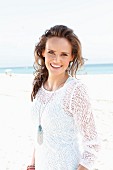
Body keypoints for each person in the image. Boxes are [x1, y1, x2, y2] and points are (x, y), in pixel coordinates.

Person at [29, 25, 99, 170]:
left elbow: (93, 144)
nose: (56, 60)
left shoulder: (75, 90)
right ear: (43, 52)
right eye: (51, 52)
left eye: (64, 54)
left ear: (72, 56)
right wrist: (32, 164)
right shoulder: (39, 85)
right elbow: (39, 134)